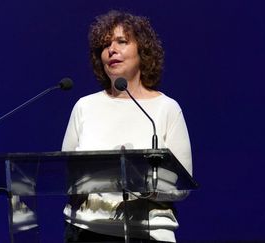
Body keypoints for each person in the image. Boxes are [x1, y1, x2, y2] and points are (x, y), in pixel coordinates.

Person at [62, 10, 193, 243]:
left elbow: (182, 185)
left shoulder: (166, 109)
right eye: (105, 45)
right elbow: (65, 175)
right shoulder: (85, 107)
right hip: (84, 232)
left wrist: (142, 185)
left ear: (142, 52)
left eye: (122, 41)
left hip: (147, 234)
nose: (112, 49)